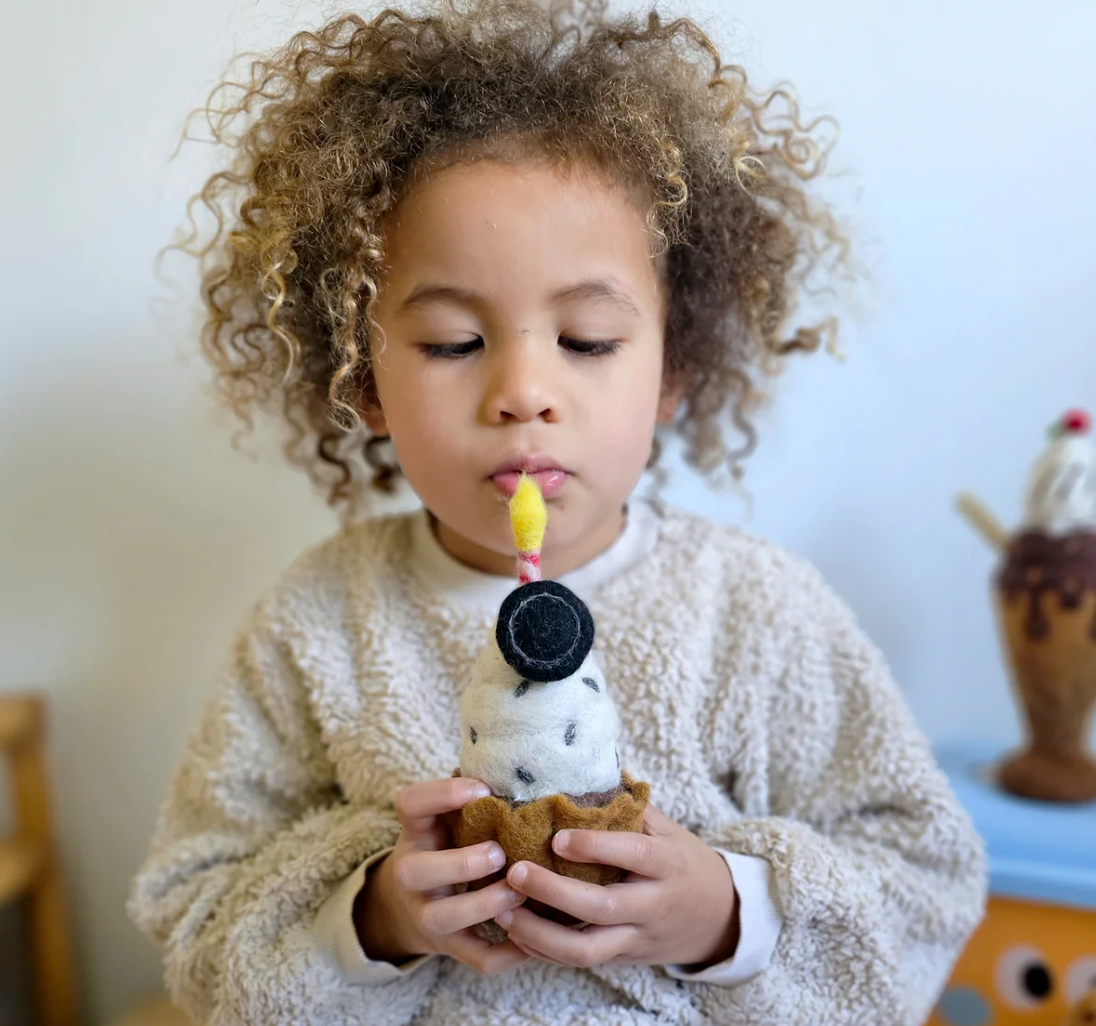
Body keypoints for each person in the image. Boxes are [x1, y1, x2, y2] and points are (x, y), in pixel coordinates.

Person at [127, 1, 987, 1023]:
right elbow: (195, 906)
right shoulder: (316, 623)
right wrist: (370, 918)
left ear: (675, 368)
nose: (523, 391)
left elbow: (925, 876)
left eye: (584, 339)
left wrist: (725, 913)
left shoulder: (757, 613)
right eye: (452, 344)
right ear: (363, 382)